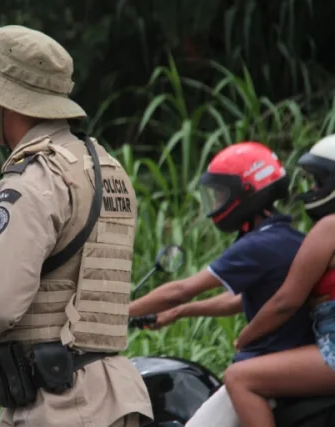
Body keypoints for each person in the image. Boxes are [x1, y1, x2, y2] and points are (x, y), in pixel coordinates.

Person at [0, 25, 153, 427]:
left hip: (59, 406)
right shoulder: (104, 166)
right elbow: (68, 279)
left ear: (7, 101)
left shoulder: (31, 179)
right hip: (113, 395)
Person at [128, 141, 316, 427]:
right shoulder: (289, 237)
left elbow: (180, 290)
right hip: (290, 360)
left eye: (220, 195)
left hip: (265, 362)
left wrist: (115, 312)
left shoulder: (257, 245)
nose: (215, 205)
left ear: (248, 193)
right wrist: (180, 313)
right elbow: (240, 301)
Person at [224, 134, 335, 427]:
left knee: (239, 378)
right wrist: (181, 311)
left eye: (319, 182)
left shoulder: (329, 228)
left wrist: (244, 338)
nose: (312, 190)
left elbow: (285, 302)